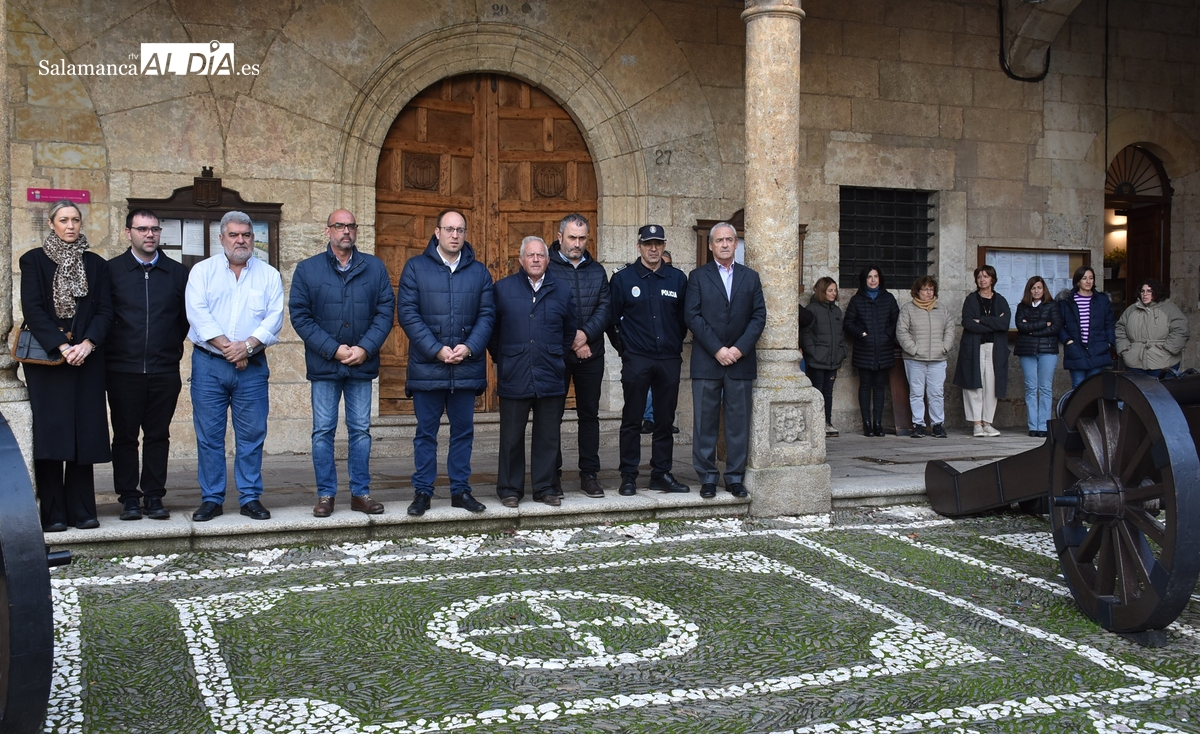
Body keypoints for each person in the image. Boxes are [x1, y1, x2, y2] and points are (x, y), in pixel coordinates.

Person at [289, 209, 395, 517]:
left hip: (361, 364)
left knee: (360, 430)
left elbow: (385, 311)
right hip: (325, 365)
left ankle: (360, 493)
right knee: (323, 431)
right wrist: (333, 349)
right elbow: (300, 315)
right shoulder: (308, 270)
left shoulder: (374, 268)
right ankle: (326, 495)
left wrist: (365, 347)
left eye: (350, 225)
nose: (345, 231)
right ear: (328, 231)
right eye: (339, 226)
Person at [19, 200, 112, 532]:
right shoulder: (33, 261)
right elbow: (32, 309)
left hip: (86, 357)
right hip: (48, 359)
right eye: (63, 220)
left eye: (75, 219)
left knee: (83, 433)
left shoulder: (96, 264)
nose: (70, 225)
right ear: (51, 223)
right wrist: (62, 346)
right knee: (52, 433)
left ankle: (83, 509)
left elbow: (105, 311)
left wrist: (86, 344)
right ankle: (54, 511)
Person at [186, 211, 284, 521]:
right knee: (209, 435)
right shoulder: (202, 272)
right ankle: (212, 498)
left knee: (252, 434)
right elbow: (197, 314)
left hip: (252, 367)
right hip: (209, 364)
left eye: (246, 235)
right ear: (222, 238)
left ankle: (250, 497)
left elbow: (274, 317)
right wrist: (231, 348)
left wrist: (248, 347)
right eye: (234, 235)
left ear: (254, 239)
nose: (240, 240)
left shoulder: (269, 275)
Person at [396, 209, 495, 516]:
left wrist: (469, 347)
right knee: (426, 433)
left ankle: (460, 490)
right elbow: (408, 314)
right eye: (449, 229)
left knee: (463, 432)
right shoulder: (415, 268)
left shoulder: (479, 272)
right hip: (428, 368)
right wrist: (436, 349)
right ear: (436, 232)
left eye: (460, 230)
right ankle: (423, 492)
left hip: (465, 366)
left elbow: (487, 315)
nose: (455, 235)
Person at [106, 208, 189, 521]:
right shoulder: (112, 271)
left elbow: (183, 320)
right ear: (128, 233)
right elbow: (105, 317)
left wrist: (167, 349)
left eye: (154, 229)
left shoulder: (177, 273)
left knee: (158, 435)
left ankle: (154, 496)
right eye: (142, 229)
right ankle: (128, 497)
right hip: (122, 370)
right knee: (125, 437)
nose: (149, 234)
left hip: (163, 370)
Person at [490, 236, 576, 507]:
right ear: (521, 259)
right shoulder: (502, 289)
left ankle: (545, 487)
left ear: (548, 260)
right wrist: (504, 358)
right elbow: (492, 333)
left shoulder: (562, 290)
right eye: (531, 255)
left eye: (540, 255)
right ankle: (509, 489)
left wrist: (553, 355)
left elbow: (569, 331)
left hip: (551, 372)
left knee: (548, 435)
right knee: (511, 436)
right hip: (514, 372)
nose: (536, 259)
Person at [685, 222, 766, 498]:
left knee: (738, 423)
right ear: (710, 245)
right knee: (704, 423)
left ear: (735, 244)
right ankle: (707, 477)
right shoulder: (697, 277)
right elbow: (692, 316)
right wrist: (718, 349)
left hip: (740, 362)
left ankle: (734, 477)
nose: (724, 244)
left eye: (729, 240)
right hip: (708, 361)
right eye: (719, 240)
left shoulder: (750, 278)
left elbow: (759, 317)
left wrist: (739, 349)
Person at [609, 225, 690, 495]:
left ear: (664, 245)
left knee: (664, 420)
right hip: (637, 359)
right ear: (639, 246)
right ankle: (629, 476)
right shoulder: (623, 279)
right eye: (648, 244)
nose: (653, 248)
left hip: (668, 359)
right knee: (632, 419)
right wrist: (626, 350)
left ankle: (661, 473)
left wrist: (673, 343)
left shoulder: (677, 279)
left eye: (657, 243)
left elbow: (682, 320)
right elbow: (612, 320)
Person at [547, 213, 609, 498]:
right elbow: (546, 308)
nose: (577, 243)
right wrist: (573, 339)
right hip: (556, 355)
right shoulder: (546, 267)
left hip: (590, 355)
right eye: (572, 237)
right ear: (560, 237)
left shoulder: (597, 271)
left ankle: (589, 474)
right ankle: (552, 475)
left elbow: (604, 308)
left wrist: (585, 335)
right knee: (552, 416)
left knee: (589, 415)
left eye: (582, 238)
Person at [953, 265, 1011, 437]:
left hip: (995, 349)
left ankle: (987, 422)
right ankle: (976, 423)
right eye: (979, 277)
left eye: (986, 276)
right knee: (974, 385)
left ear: (992, 279)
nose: (982, 279)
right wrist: (993, 324)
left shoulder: (1000, 300)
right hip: (974, 347)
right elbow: (968, 323)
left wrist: (983, 321)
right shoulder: (971, 300)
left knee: (991, 386)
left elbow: (1004, 324)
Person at [896, 276, 956, 439]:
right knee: (916, 392)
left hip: (937, 358)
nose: (928, 293)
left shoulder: (941, 309)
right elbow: (902, 331)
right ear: (917, 291)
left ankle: (937, 424)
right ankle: (919, 425)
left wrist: (944, 347)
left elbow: (950, 329)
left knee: (936, 392)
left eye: (931, 289)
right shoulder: (908, 309)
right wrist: (913, 349)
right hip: (914, 359)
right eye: (925, 289)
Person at [843, 265, 899, 437]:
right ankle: (867, 423)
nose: (873, 280)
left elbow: (897, 321)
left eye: (876, 276)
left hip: (884, 350)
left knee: (880, 387)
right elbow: (848, 323)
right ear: (864, 280)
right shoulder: (857, 300)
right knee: (866, 386)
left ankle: (878, 423)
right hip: (864, 350)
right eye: (869, 277)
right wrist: (862, 334)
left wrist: (887, 336)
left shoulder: (888, 298)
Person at [1014, 276, 1062, 437]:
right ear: (1029, 290)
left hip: (1047, 351)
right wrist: (1043, 323)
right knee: (1031, 388)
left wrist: (1032, 330)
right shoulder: (1022, 306)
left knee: (1045, 388)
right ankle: (1033, 426)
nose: (1036, 291)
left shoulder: (1052, 305)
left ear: (1044, 289)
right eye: (1033, 288)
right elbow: (1021, 326)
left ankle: (1044, 426)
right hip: (1027, 351)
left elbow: (1055, 327)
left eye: (1039, 288)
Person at [802, 277, 847, 437]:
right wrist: (813, 352)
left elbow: (840, 334)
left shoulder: (836, 311)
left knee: (828, 392)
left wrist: (842, 351)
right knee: (817, 391)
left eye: (835, 290)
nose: (833, 293)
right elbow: (806, 334)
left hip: (833, 359)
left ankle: (827, 422)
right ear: (822, 291)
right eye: (830, 290)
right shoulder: (812, 309)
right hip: (817, 360)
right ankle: (815, 422)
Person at [1115, 278, 1188, 378]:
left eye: (1149, 291)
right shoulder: (1131, 310)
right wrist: (1125, 349)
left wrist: (1168, 350)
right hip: (1135, 362)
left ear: (1157, 292)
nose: (1145, 294)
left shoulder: (1170, 309)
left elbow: (1181, 330)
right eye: (1142, 291)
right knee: (1137, 392)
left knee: (1162, 392)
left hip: (1163, 361)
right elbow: (1120, 328)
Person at [1058, 265, 1115, 388]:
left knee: (1093, 389)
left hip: (1098, 349)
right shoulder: (1067, 301)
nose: (1088, 281)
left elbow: (1109, 323)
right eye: (1084, 278)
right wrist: (1067, 341)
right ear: (1078, 281)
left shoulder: (1102, 300)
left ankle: (1093, 409)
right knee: (1078, 388)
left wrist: (1109, 343)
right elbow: (1059, 324)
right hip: (1076, 349)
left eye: (1091, 278)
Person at [641, 250, 679, 435]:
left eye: (668, 264)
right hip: (642, 350)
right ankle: (649, 418)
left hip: (668, 350)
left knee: (667, 392)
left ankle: (664, 419)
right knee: (647, 388)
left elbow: (682, 317)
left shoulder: (677, 280)